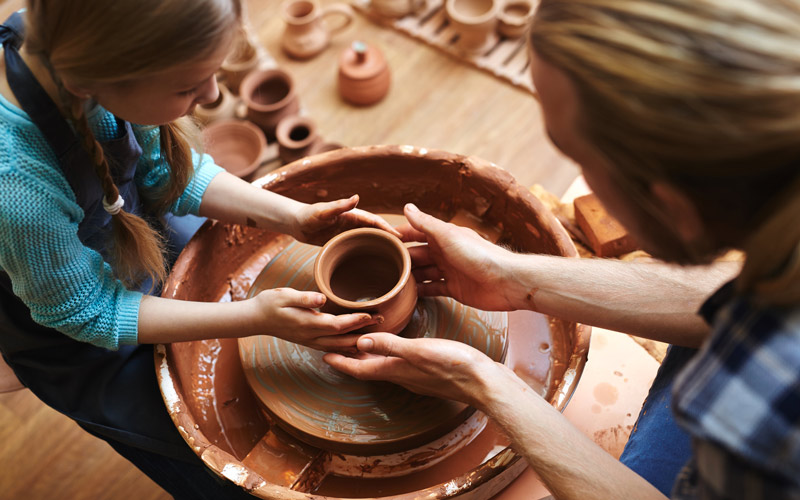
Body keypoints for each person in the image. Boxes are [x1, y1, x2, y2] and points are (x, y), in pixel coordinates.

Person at [325, 0, 800, 498]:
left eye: (576, 156)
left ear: (672, 205)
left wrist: (485, 384)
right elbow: (740, 297)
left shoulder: (762, 406)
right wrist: (512, 277)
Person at [0, 1, 398, 498]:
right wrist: (254, 318)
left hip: (128, 227)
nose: (213, 95)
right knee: (218, 472)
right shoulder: (17, 186)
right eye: (189, 87)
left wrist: (291, 216)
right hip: (80, 328)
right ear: (93, 85)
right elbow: (89, 311)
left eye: (214, 73)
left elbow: (166, 173)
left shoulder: (73, 34)